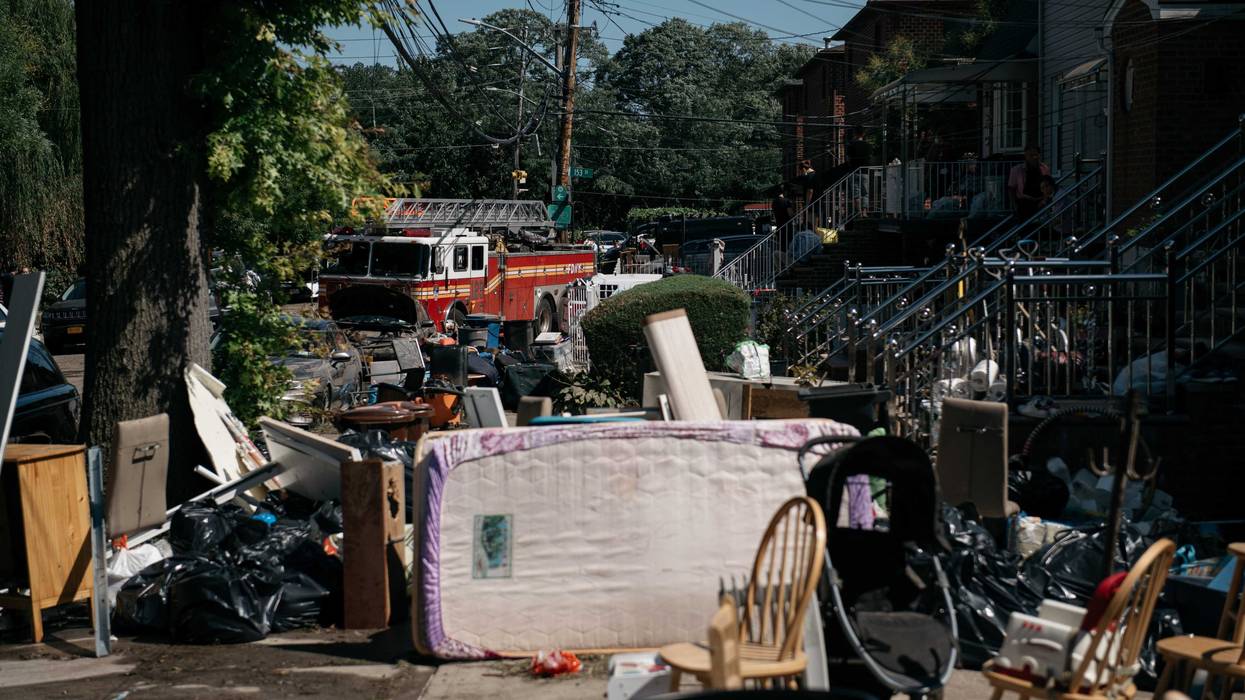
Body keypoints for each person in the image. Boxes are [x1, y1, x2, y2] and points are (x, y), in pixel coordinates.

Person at [1008, 144, 1051, 221]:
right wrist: (1014, 207)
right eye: (1031, 155)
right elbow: (1011, 190)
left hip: (1041, 202)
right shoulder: (1017, 170)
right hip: (1024, 203)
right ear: (1026, 156)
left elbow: (1049, 186)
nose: (1034, 157)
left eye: (1036, 155)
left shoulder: (1044, 168)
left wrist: (1045, 200)